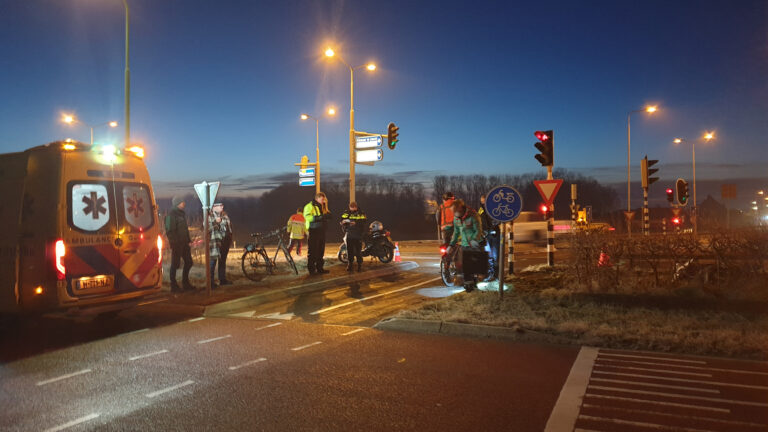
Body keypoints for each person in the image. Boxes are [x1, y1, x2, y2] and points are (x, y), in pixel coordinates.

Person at [449, 199, 484, 292]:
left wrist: (474, 240)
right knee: (465, 266)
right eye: (452, 212)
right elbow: (456, 232)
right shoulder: (456, 219)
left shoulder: (473, 215)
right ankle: (469, 287)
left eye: (455, 211)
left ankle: (475, 283)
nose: (454, 213)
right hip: (464, 244)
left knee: (473, 266)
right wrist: (451, 244)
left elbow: (478, 230)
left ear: (460, 208)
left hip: (475, 244)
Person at [165, 196, 195, 292]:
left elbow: (184, 230)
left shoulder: (181, 214)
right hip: (177, 244)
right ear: (177, 203)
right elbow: (170, 230)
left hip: (185, 243)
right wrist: (174, 243)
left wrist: (188, 240)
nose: (184, 203)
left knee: (189, 262)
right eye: (182, 202)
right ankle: (173, 286)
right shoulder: (171, 215)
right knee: (175, 264)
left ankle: (185, 283)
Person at [303, 192, 331, 275]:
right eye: (322, 199)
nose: (323, 201)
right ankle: (311, 269)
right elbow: (307, 217)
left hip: (321, 231)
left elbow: (327, 215)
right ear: (317, 198)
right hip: (313, 230)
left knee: (320, 251)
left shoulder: (322, 206)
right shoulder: (309, 206)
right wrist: (319, 217)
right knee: (312, 251)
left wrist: (326, 206)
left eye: (324, 200)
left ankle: (320, 268)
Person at [209, 203, 232, 286]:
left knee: (222, 261)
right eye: (219, 205)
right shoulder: (210, 216)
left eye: (222, 205)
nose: (222, 207)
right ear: (214, 207)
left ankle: (222, 279)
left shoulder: (224, 215)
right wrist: (216, 221)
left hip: (225, 241)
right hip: (215, 242)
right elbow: (207, 228)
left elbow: (229, 228)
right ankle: (210, 282)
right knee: (213, 262)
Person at [340, 201, 367, 271]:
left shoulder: (361, 213)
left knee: (358, 251)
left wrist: (356, 223)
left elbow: (364, 221)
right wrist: (343, 222)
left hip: (358, 235)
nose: (352, 209)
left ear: (356, 207)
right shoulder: (346, 212)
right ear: (349, 207)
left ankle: (359, 265)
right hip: (349, 234)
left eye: (353, 208)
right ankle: (350, 265)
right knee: (350, 251)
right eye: (351, 208)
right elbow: (342, 219)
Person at [478, 194, 500, 280]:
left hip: (494, 234)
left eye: (484, 201)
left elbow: (497, 219)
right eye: (482, 201)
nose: (483, 202)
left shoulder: (493, 208)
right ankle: (488, 273)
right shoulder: (480, 210)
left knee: (495, 255)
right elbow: (479, 220)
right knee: (487, 255)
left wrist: (494, 226)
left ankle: (496, 275)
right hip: (485, 234)